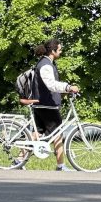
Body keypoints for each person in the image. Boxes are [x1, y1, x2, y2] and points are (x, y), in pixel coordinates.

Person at [33, 38, 79, 171]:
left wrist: (63, 92)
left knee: (37, 133)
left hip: (42, 104)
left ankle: (18, 161)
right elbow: (51, 85)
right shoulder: (46, 65)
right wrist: (68, 87)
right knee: (58, 133)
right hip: (47, 105)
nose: (61, 51)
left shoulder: (45, 63)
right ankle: (60, 165)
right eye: (59, 49)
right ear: (53, 51)